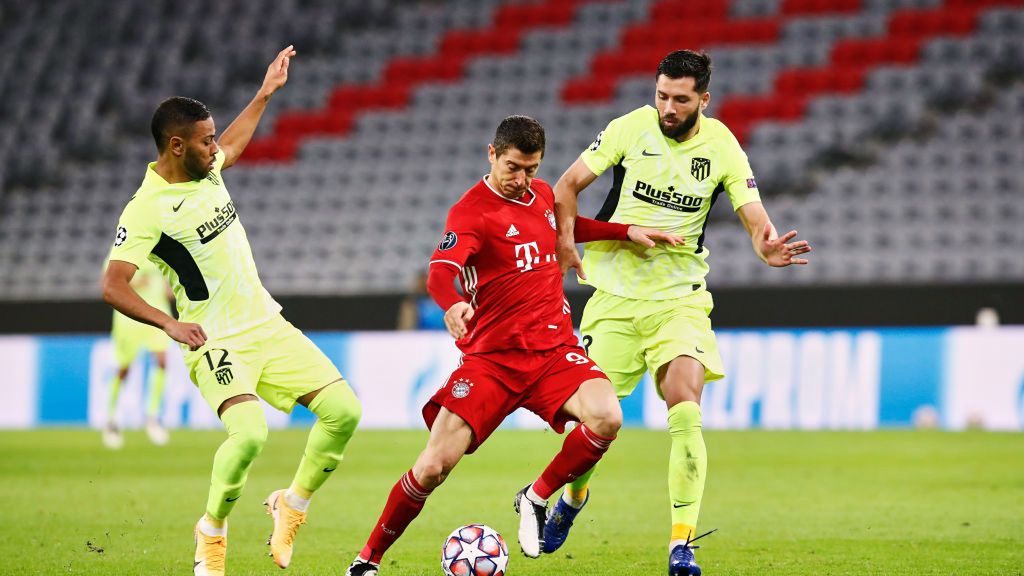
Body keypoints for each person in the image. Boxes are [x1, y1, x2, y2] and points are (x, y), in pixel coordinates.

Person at [345, 115, 683, 576]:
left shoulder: (542, 195)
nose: (521, 179)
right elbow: (441, 270)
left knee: (607, 416)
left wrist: (624, 232)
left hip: (552, 353)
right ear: (491, 154)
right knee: (432, 467)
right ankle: (367, 560)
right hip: (492, 362)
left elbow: (564, 228)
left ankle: (536, 496)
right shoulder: (471, 212)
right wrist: (451, 304)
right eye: (512, 168)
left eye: (531, 168)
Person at [549, 49, 812, 575]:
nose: (668, 107)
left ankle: (681, 545)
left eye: (681, 100)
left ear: (703, 100)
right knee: (592, 423)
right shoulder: (630, 129)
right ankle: (573, 500)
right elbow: (566, 186)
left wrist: (767, 248)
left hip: (681, 300)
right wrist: (566, 240)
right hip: (615, 300)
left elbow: (754, 217)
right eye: (662, 96)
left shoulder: (722, 147)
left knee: (685, 408)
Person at [101, 46, 362, 576]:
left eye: (214, 136)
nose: (215, 147)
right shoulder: (146, 209)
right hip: (214, 338)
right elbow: (113, 284)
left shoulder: (208, 170)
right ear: (176, 146)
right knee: (250, 434)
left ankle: (292, 504)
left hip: (267, 322)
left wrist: (265, 94)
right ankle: (212, 534)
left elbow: (236, 144)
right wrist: (170, 323)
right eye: (205, 140)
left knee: (345, 413)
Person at [102, 258, 174, 449]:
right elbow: (108, 282)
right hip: (129, 318)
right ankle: (112, 419)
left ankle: (153, 417)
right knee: (124, 369)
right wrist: (136, 282)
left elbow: (168, 278)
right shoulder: (125, 248)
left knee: (161, 361)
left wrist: (169, 288)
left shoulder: (160, 250)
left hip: (159, 316)